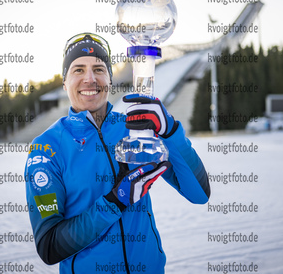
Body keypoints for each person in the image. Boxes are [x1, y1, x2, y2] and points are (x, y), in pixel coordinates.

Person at [25, 33, 210, 274]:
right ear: (64, 82)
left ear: (110, 79)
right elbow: (49, 246)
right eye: (78, 70)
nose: (90, 79)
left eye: (99, 69)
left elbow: (199, 193)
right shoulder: (47, 148)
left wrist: (170, 130)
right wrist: (115, 202)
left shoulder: (135, 131)